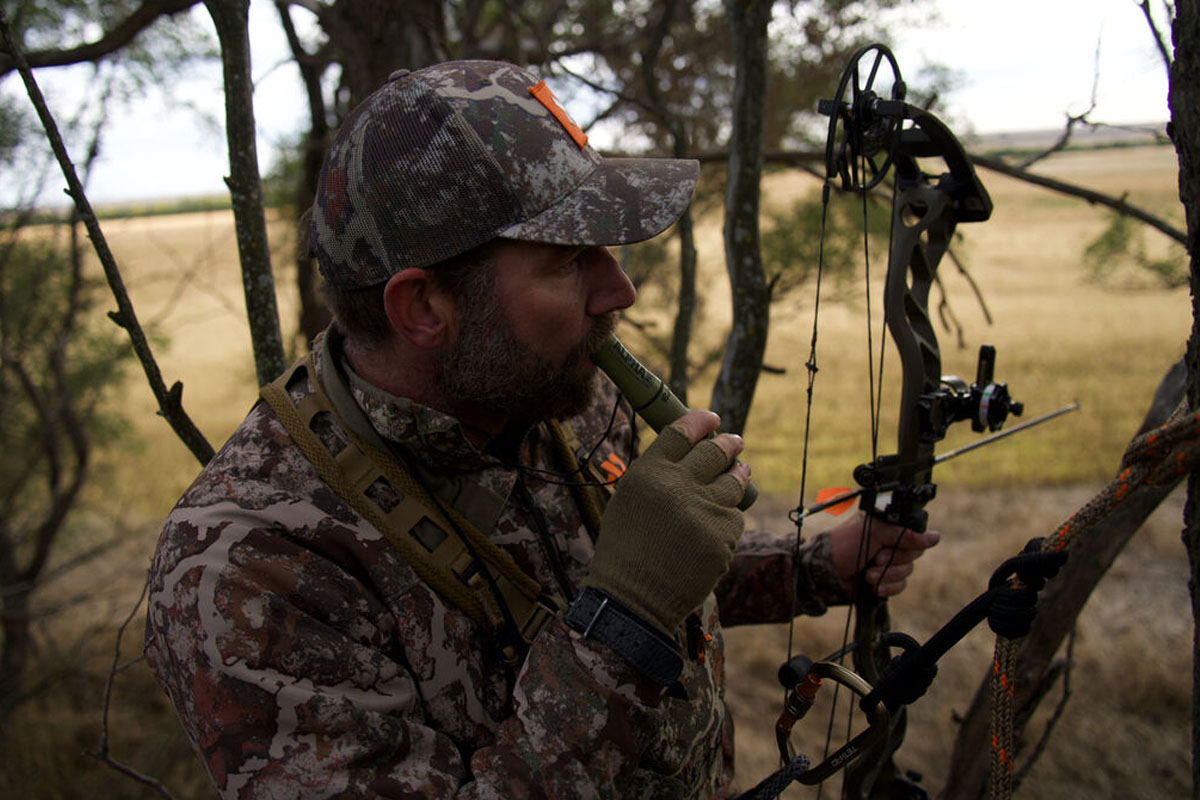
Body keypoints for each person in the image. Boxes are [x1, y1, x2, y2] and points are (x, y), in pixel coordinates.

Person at [144, 60, 939, 799]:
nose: (619, 290)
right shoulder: (245, 567)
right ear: (423, 307)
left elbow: (651, 560)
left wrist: (817, 566)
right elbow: (633, 589)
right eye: (568, 260)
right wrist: (621, 623)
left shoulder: (554, 386)